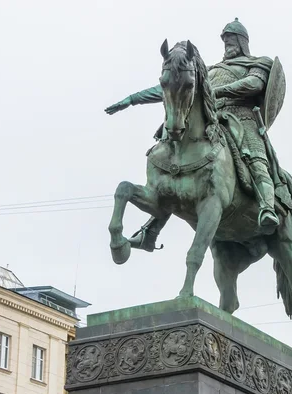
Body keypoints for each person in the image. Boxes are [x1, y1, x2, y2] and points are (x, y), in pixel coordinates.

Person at [105, 18, 280, 250]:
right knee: (176, 165)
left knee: (256, 159)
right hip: (211, 117)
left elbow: (253, 85)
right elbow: (172, 86)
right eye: (224, 40)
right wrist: (132, 99)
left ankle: (267, 207)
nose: (227, 44)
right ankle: (151, 230)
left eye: (231, 39)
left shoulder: (258, 62)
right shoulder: (210, 70)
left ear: (242, 40)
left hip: (242, 118)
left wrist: (212, 91)